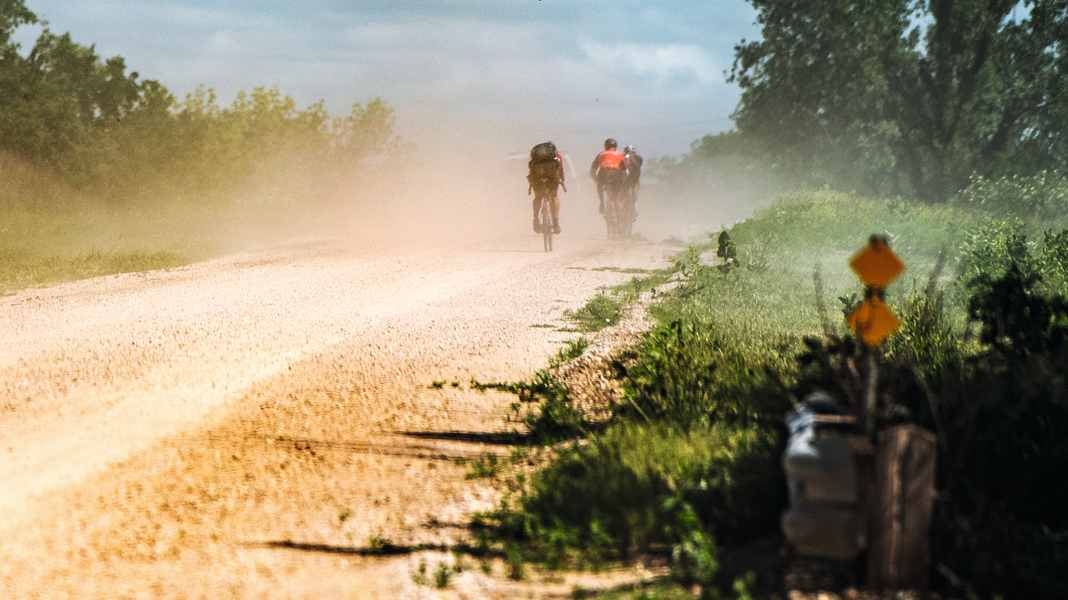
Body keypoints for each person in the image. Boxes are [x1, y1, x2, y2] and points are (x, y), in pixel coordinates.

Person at [527, 141, 566, 234]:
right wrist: (562, 180)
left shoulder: (535, 158)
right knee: (554, 196)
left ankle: (536, 219)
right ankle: (556, 223)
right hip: (552, 178)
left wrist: (531, 183)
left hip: (538, 178)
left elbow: (531, 170)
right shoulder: (557, 156)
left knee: (537, 197)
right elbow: (561, 169)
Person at [589, 138, 627, 215]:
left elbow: (593, 169)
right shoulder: (620, 154)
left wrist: (596, 181)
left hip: (603, 173)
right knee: (616, 196)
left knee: (599, 186)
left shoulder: (601, 154)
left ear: (605, 146)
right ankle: (619, 207)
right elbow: (624, 169)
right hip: (616, 174)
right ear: (616, 146)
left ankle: (602, 204)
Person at [623, 145, 643, 223]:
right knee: (635, 199)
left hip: (628, 183)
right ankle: (634, 212)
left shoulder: (625, 157)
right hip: (635, 183)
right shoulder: (638, 158)